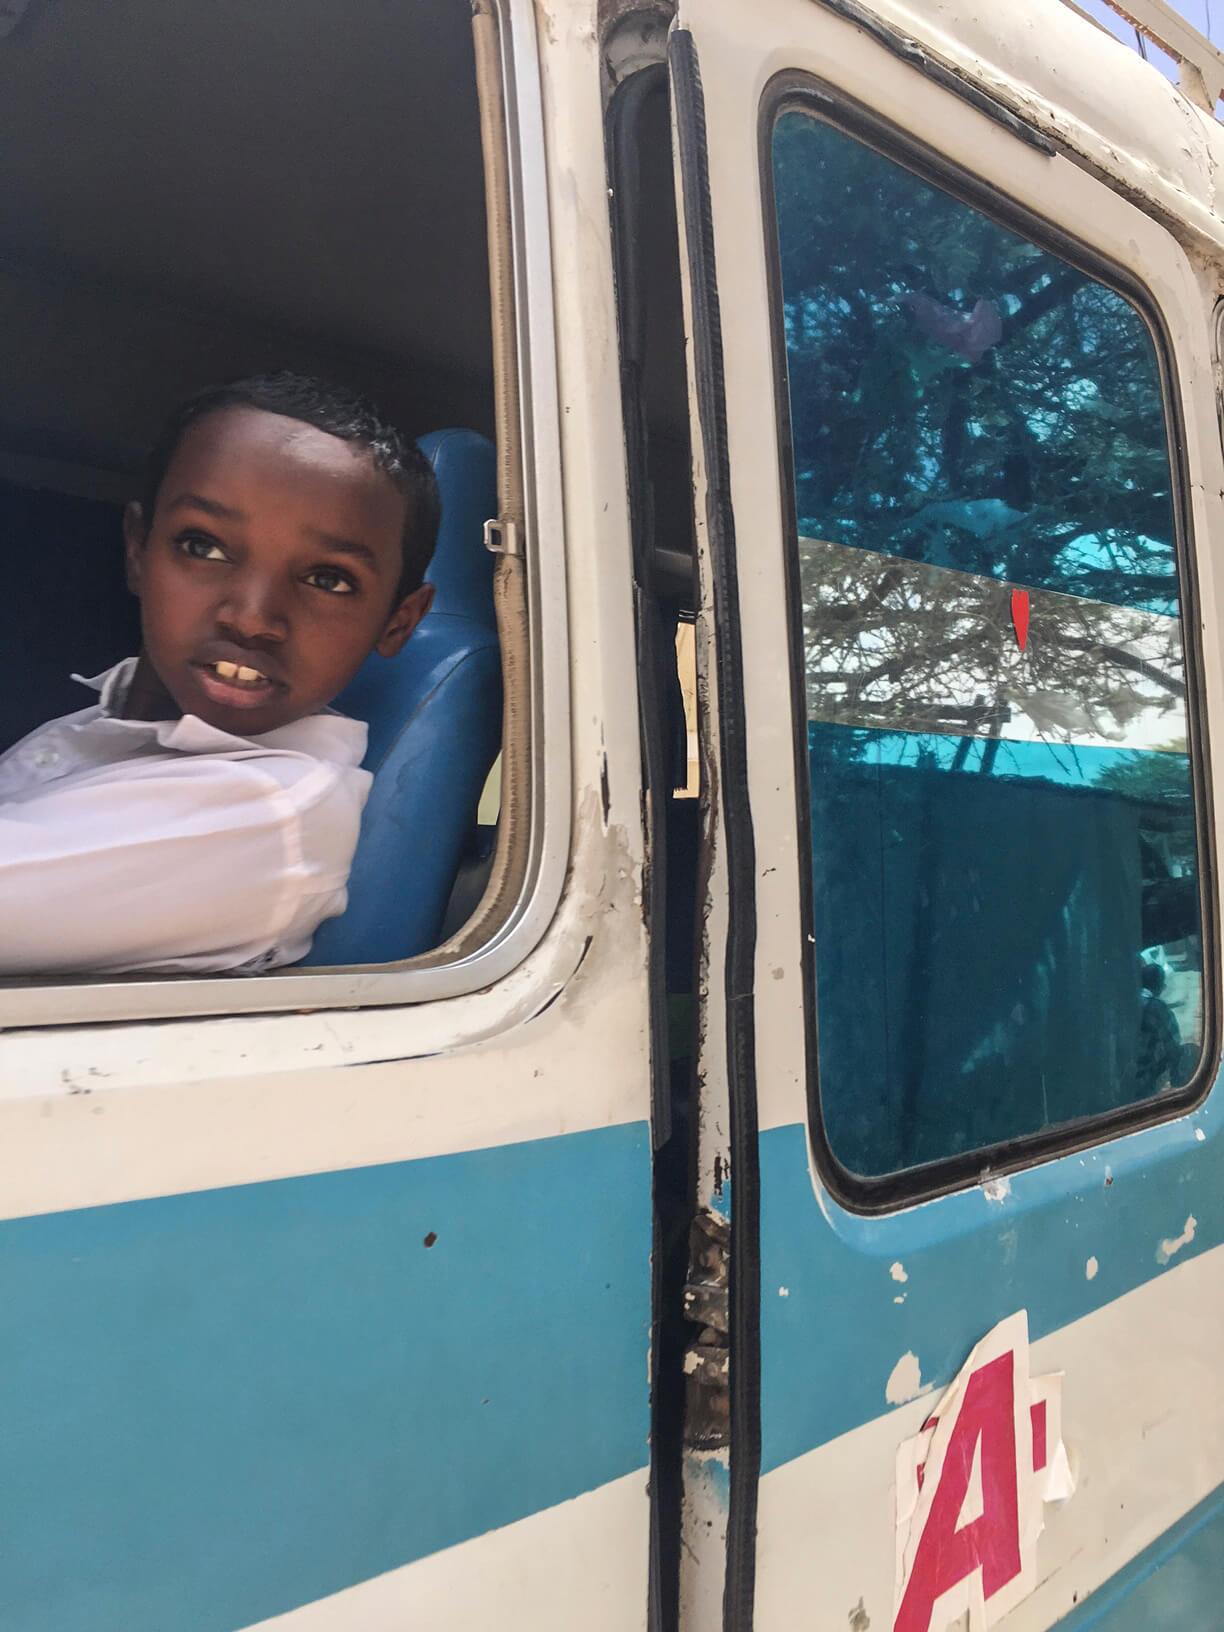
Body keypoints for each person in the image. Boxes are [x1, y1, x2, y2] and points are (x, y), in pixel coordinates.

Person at [0, 372, 439, 976]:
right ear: (137, 550)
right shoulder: (119, 717)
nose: (252, 619)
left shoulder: (269, 814)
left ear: (398, 621)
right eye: (203, 546)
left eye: (327, 580)